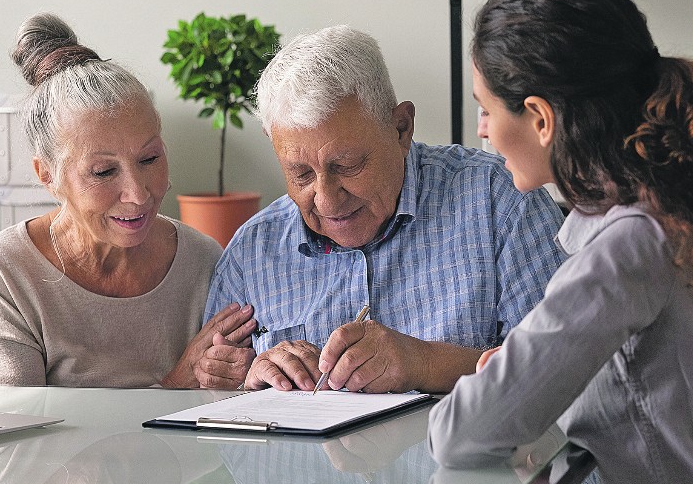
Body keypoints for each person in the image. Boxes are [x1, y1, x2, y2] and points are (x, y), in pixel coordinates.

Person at [426, 0, 693, 482]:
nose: (482, 131)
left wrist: (506, 387)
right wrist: (524, 371)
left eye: (485, 110)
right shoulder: (663, 212)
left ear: (541, 118)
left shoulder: (629, 245)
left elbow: (458, 435)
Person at [196, 25, 566, 393]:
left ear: (401, 128)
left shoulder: (501, 201)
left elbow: (565, 368)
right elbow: (208, 409)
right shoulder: (251, 254)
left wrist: (424, 363)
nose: (326, 200)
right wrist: (245, 381)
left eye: (347, 165)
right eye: (301, 174)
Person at [0, 13, 256, 388]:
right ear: (47, 175)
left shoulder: (203, 260)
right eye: (102, 172)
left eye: (149, 159)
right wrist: (175, 386)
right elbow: (15, 432)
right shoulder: (6, 270)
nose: (138, 194)